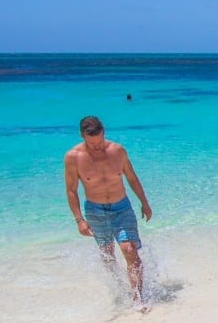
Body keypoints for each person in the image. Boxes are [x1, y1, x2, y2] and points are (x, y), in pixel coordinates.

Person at [64, 116, 153, 311]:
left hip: (121, 207)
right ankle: (119, 288)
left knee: (129, 250)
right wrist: (79, 220)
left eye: (100, 141)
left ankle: (138, 298)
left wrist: (144, 203)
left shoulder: (117, 151)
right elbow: (71, 190)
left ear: (104, 133)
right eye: (92, 143)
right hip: (95, 211)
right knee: (108, 254)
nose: (97, 147)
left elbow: (131, 177)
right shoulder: (73, 157)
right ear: (83, 136)